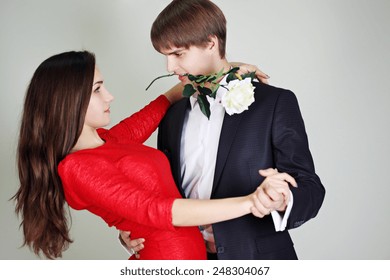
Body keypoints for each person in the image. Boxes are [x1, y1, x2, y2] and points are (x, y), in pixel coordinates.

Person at [13, 50, 283, 260]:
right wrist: (251, 202)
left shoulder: (109, 141)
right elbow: (161, 211)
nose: (109, 97)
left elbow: (164, 101)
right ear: (68, 101)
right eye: (97, 90)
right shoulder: (77, 168)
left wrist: (226, 70)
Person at [122, 0, 325, 260]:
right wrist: (138, 229)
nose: (169, 67)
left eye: (178, 54)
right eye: (165, 55)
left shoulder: (274, 103)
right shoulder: (172, 115)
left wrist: (283, 200)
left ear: (210, 43)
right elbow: (167, 197)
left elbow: (310, 187)